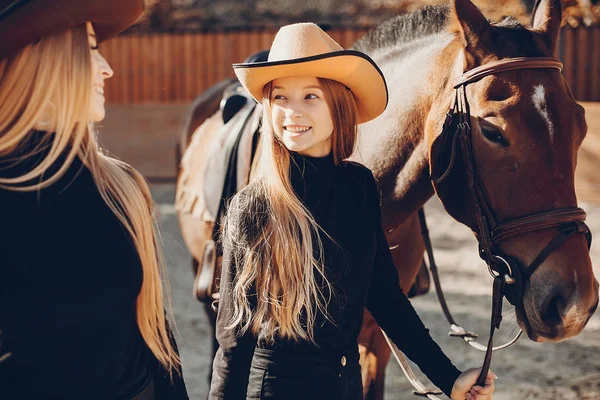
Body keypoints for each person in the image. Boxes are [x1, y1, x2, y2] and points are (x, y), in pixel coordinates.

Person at [209, 23, 496, 400]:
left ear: (338, 104)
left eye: (310, 95)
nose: (292, 112)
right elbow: (233, 342)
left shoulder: (359, 187)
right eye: (280, 97)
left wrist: (449, 377)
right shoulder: (253, 208)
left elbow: (386, 299)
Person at [0, 1, 188, 399]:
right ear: (43, 60)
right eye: (90, 48)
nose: (107, 68)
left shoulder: (119, 187)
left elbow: (157, 342)